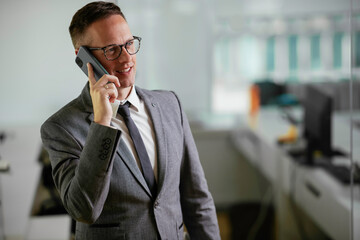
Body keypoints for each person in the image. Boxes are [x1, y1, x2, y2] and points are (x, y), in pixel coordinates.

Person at [41, 1, 220, 239]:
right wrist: (102, 122)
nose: (127, 58)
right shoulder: (61, 128)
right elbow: (83, 209)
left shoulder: (170, 105)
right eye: (112, 50)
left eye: (128, 44)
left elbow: (197, 198)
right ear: (83, 57)